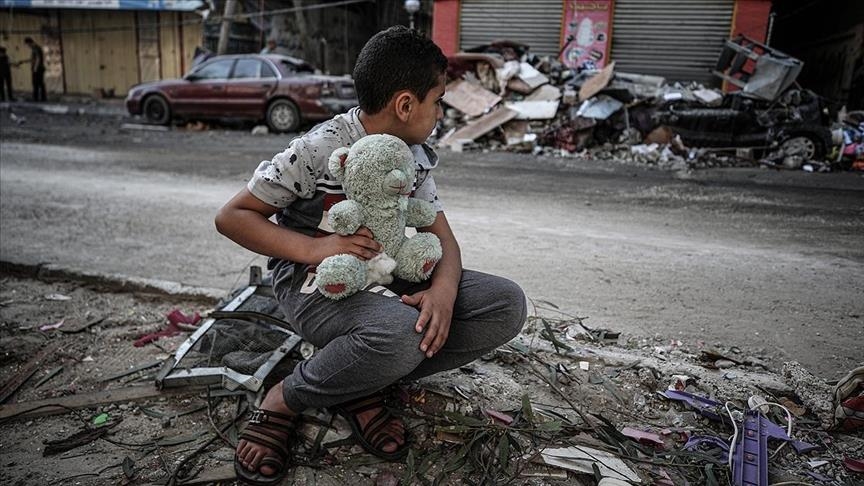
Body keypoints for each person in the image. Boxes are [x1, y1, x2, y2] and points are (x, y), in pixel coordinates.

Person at [216, 26, 526, 484]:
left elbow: (444, 240)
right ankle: (286, 397)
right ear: (405, 105)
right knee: (400, 334)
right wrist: (318, 247)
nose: (441, 113)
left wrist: (443, 292)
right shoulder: (319, 148)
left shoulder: (413, 155)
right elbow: (233, 216)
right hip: (316, 280)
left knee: (505, 304)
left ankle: (359, 380)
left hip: (388, 269)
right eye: (438, 101)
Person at [23, 37, 45, 102]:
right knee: (40, 83)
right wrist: (24, 61)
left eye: (27, 44)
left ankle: (36, 98)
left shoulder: (36, 48)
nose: (27, 46)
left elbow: (38, 58)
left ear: (29, 42)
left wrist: (35, 68)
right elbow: (33, 59)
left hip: (38, 69)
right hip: (39, 68)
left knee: (36, 83)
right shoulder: (35, 48)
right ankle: (42, 98)